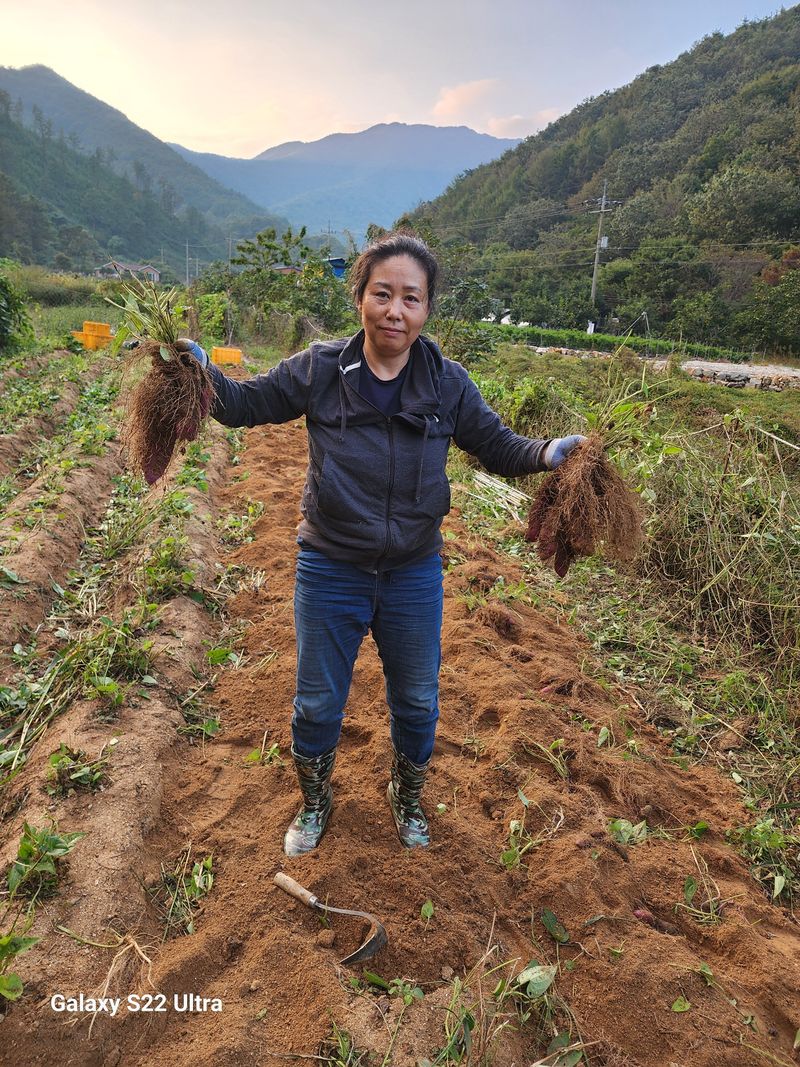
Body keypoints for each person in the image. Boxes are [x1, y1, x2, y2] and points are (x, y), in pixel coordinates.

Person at [178, 231, 585, 857]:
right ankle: (315, 801)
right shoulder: (318, 369)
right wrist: (200, 372)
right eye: (382, 294)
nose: (395, 310)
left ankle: (407, 795)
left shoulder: (448, 385)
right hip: (331, 564)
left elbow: (497, 445)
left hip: (412, 571)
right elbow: (243, 405)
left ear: (426, 310)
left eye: (411, 299)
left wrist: (546, 453)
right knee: (317, 702)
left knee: (419, 700)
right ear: (361, 299)